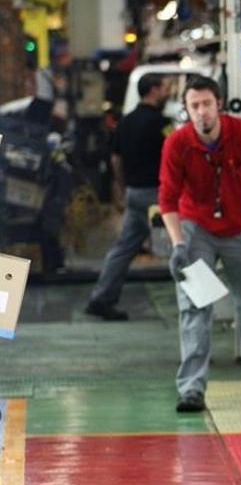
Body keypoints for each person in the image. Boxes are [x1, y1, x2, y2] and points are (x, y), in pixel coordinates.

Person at [159, 76, 241, 412]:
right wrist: (177, 245)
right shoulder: (178, 144)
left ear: (218, 104)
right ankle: (191, 388)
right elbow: (168, 199)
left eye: (206, 104)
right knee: (195, 307)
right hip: (195, 228)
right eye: (194, 106)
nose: (201, 112)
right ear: (187, 110)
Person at [85, 74, 172, 321]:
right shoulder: (162, 123)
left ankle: (100, 298)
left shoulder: (125, 121)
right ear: (154, 91)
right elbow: (176, 157)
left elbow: (116, 160)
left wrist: (122, 190)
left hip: (134, 192)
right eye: (165, 88)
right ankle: (200, 302)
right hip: (157, 194)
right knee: (181, 245)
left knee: (124, 248)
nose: (167, 93)